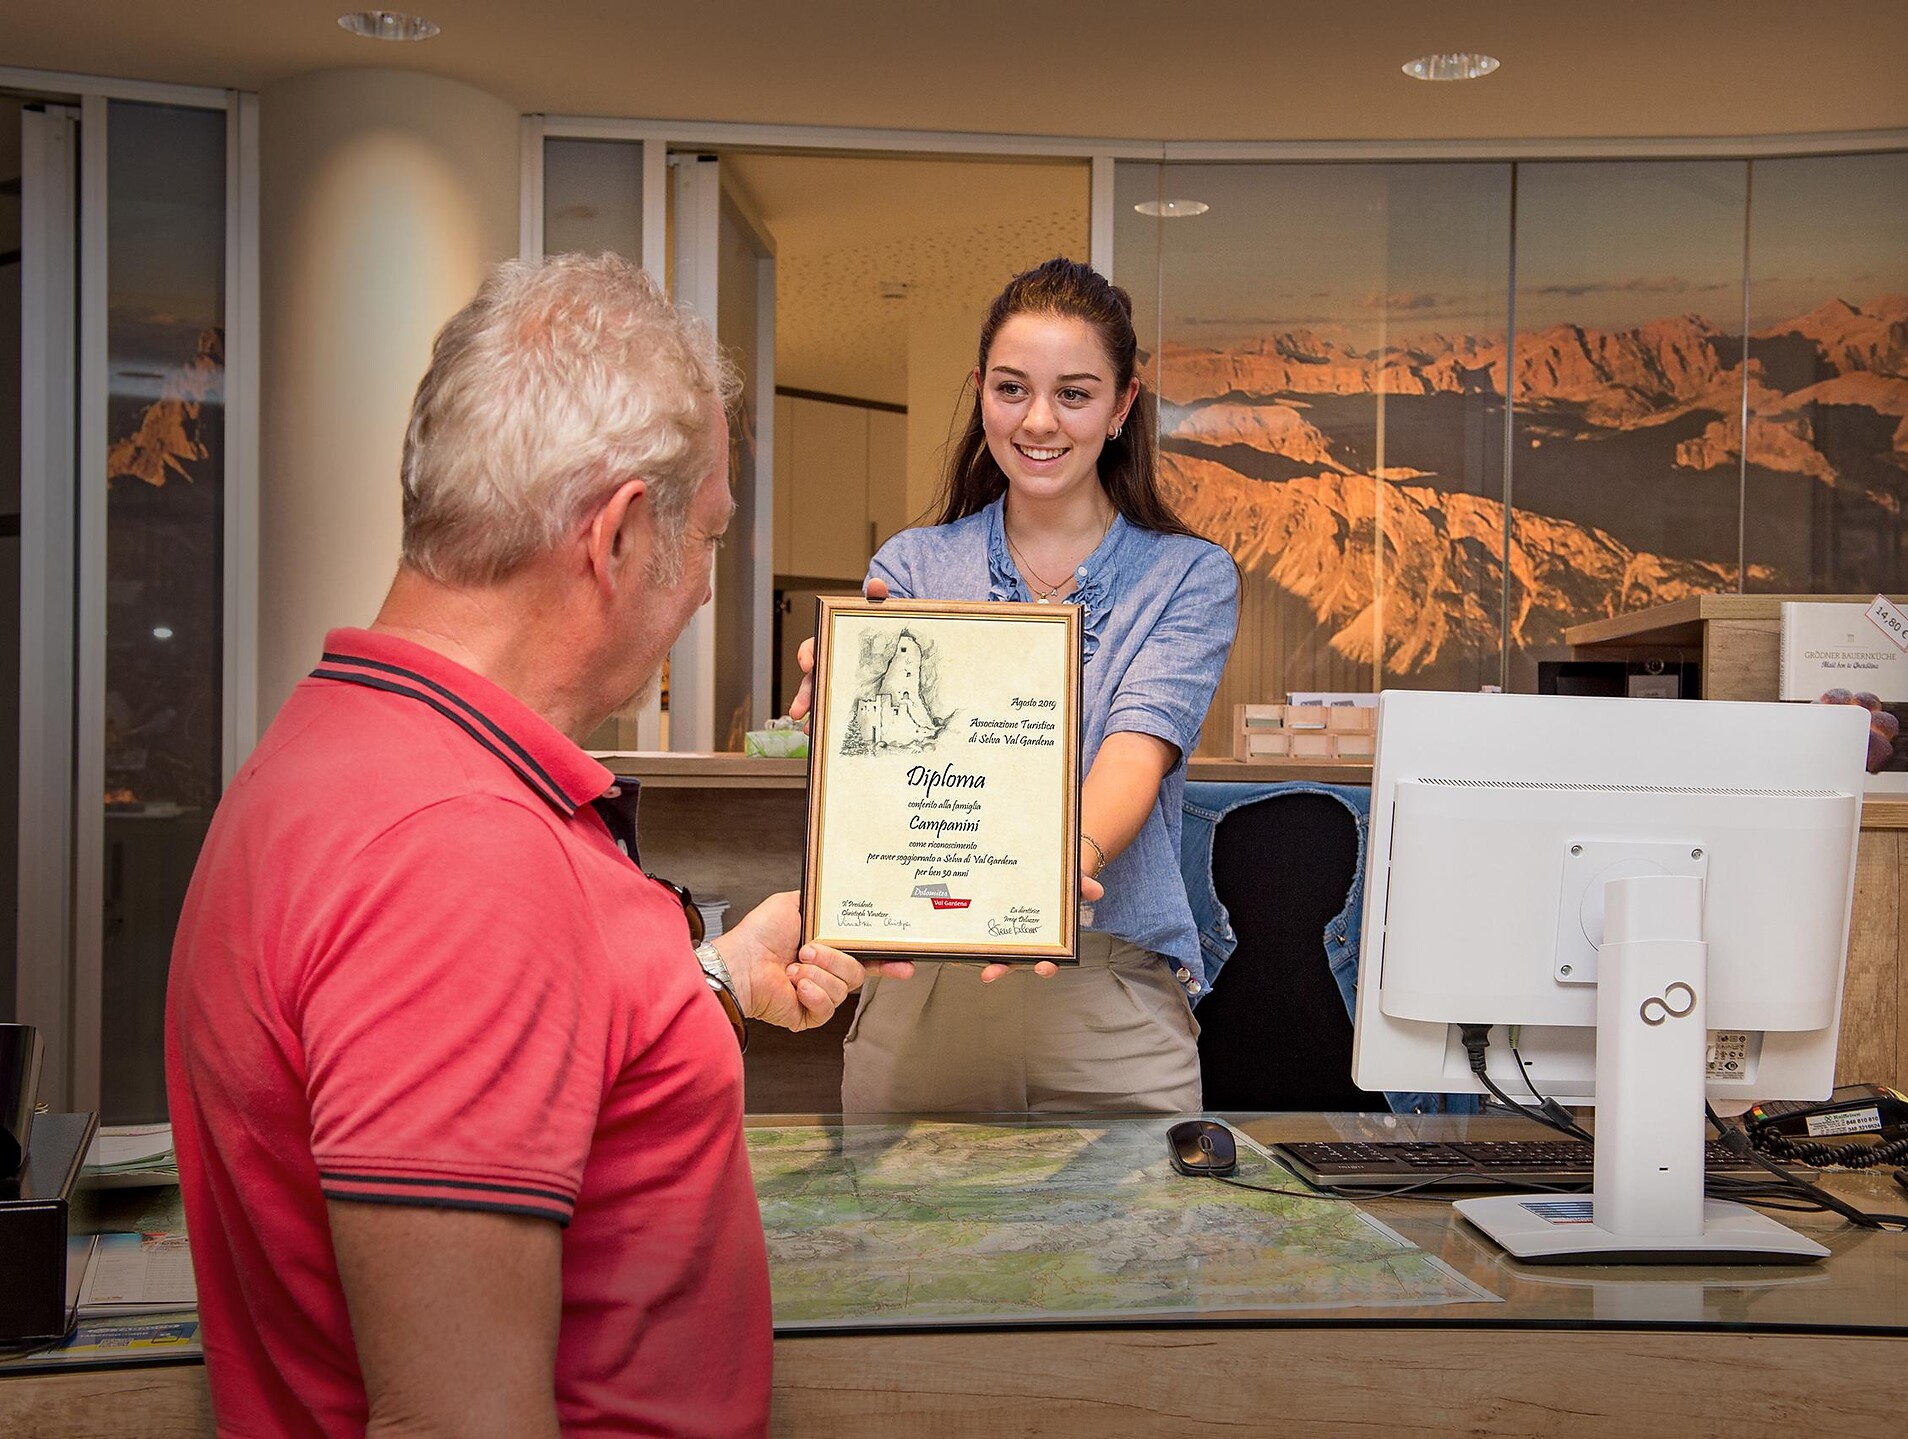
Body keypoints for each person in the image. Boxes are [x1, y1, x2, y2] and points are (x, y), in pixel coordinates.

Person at [166, 253, 905, 1439]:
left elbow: (491, 1069)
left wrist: (709, 983)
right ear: (616, 538)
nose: (709, 586)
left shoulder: (343, 749)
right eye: (708, 536)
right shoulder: (459, 859)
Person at [793, 258, 1239, 1114]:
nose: (1039, 421)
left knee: (1143, 1251)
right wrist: (845, 705)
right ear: (980, 393)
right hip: (925, 996)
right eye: (1012, 389)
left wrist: (1050, 875)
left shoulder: (1188, 576)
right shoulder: (912, 567)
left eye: (1074, 393)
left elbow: (1136, 752)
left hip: (1113, 1011)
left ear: (1121, 406)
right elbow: (887, 783)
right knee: (906, 1252)